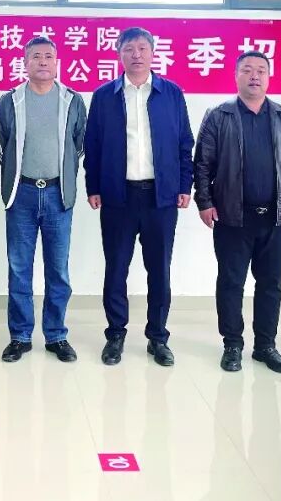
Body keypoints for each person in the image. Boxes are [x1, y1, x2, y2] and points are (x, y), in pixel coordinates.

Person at [193, 51, 281, 374]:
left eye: (261, 70)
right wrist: (204, 201)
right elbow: (202, 163)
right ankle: (232, 344)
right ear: (236, 76)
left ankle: (265, 345)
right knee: (231, 282)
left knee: (271, 283)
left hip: (275, 216)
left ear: (269, 77)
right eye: (247, 70)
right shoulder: (219, 115)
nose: (254, 76)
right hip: (233, 216)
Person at [83, 27, 194, 367]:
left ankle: (157, 337)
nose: (136, 54)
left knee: (159, 269)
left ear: (152, 53)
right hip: (118, 197)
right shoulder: (104, 96)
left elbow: (184, 143)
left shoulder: (171, 93)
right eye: (129, 48)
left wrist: (184, 185)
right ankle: (115, 334)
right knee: (116, 268)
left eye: (142, 48)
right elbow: (92, 146)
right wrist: (93, 186)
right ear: (119, 53)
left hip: (161, 198)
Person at [0, 36, 87, 363]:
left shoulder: (72, 100)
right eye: (36, 56)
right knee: (19, 268)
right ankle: (20, 336)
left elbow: (78, 145)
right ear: (25, 62)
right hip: (21, 194)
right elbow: (1, 145)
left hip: (58, 195)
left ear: (57, 62)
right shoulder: (10, 101)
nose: (43, 61)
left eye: (48, 56)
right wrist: (16, 176)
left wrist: (61, 173)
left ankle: (56, 335)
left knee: (58, 269)